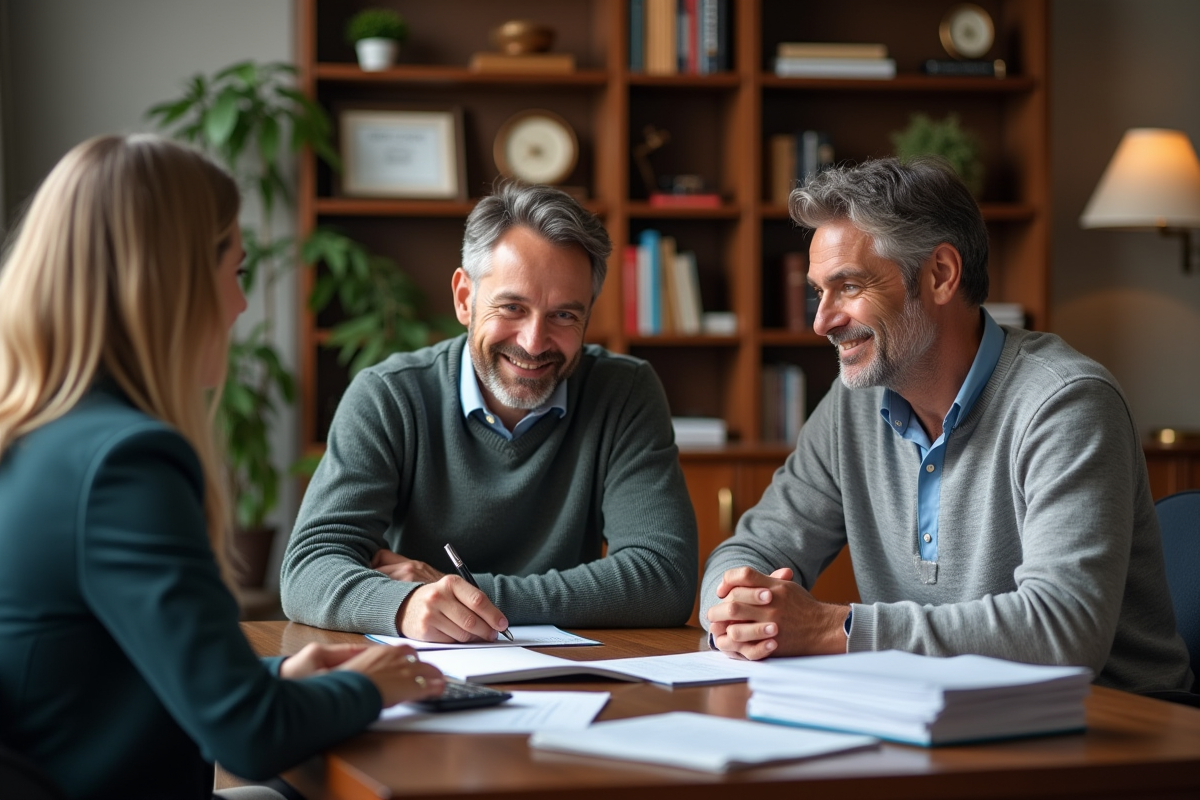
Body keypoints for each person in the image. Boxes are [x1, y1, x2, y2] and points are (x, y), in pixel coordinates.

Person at [0, 134, 446, 800]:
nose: (240, 305)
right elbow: (249, 736)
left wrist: (274, 680)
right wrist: (368, 685)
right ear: (170, 280)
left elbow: (104, 675)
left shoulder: (37, 437)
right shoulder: (125, 464)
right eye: (235, 272)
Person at [701, 157, 1194, 694]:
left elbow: (1063, 631)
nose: (822, 321)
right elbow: (750, 548)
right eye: (819, 292)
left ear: (939, 275)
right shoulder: (853, 405)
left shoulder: (1065, 403)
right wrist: (735, 608)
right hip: (936, 714)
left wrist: (833, 628)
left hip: (1115, 732)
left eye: (848, 286)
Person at [281, 181, 697, 642]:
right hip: (426, 670)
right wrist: (404, 607)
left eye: (564, 316)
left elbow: (664, 579)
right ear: (465, 298)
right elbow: (308, 569)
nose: (534, 342)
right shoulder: (389, 396)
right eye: (512, 307)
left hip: (575, 671)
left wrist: (450, 594)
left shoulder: (624, 392)